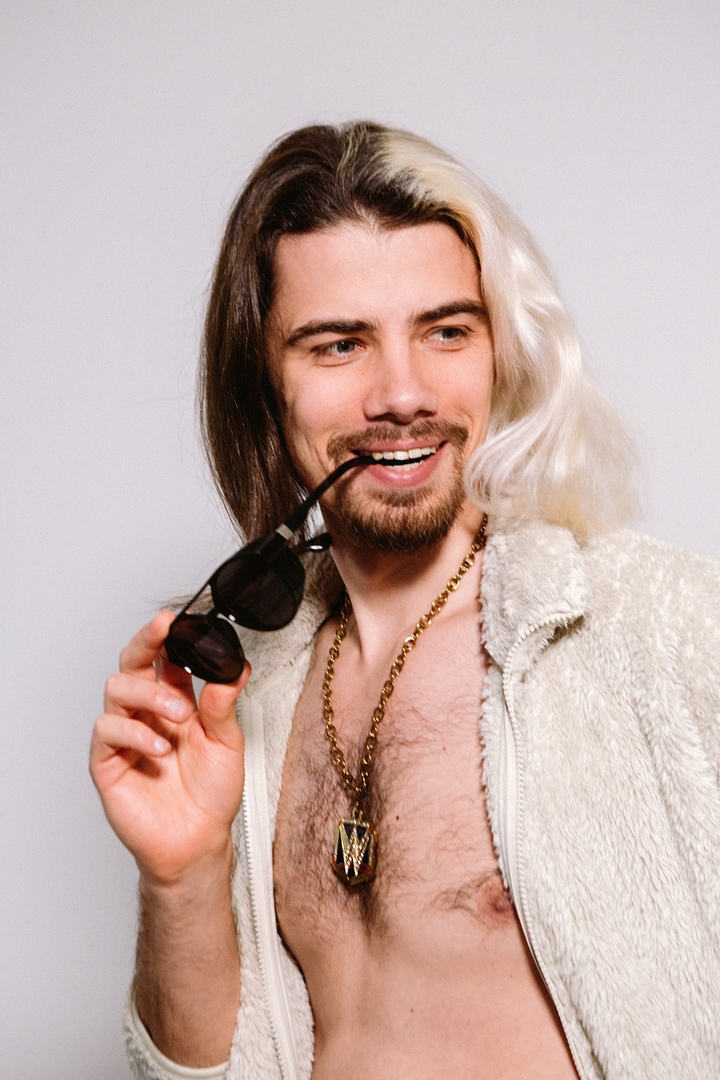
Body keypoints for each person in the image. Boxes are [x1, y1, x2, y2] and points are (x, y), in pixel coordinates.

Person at [90, 122, 720, 1080]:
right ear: (264, 385)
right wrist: (180, 879)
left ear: (500, 349)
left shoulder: (658, 632)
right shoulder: (246, 699)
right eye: (339, 344)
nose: (403, 393)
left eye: (446, 331)